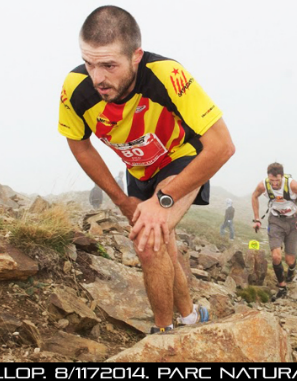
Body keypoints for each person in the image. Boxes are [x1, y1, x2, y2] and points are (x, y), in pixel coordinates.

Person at [58, 6, 235, 334]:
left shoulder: (167, 76)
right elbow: (80, 145)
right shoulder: (77, 89)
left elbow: (222, 146)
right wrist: (122, 200)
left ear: (136, 55)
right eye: (89, 63)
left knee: (148, 238)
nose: (98, 77)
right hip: (138, 173)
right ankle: (191, 316)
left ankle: (162, 337)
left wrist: (163, 200)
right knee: (163, 239)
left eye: (109, 65)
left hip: (181, 159)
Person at [251, 163, 297, 300]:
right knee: (276, 256)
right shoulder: (263, 185)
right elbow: (254, 196)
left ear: (282, 176)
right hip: (275, 221)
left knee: (290, 260)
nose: (274, 184)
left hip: (293, 221)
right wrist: (256, 219)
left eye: (277, 180)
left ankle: (291, 270)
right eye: (272, 180)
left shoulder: (292, 185)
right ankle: (282, 286)